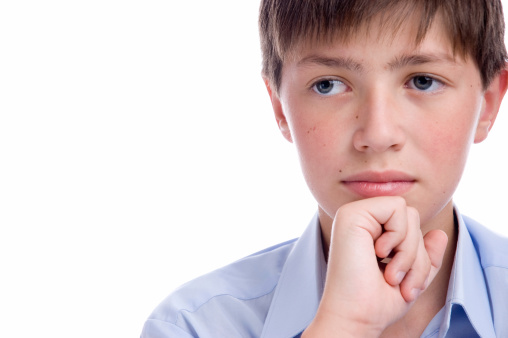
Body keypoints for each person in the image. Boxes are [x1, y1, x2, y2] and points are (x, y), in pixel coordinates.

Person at [141, 0, 508, 337]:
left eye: (423, 81)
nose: (377, 135)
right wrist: (342, 326)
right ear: (281, 109)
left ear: (488, 103)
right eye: (328, 85)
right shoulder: (194, 326)